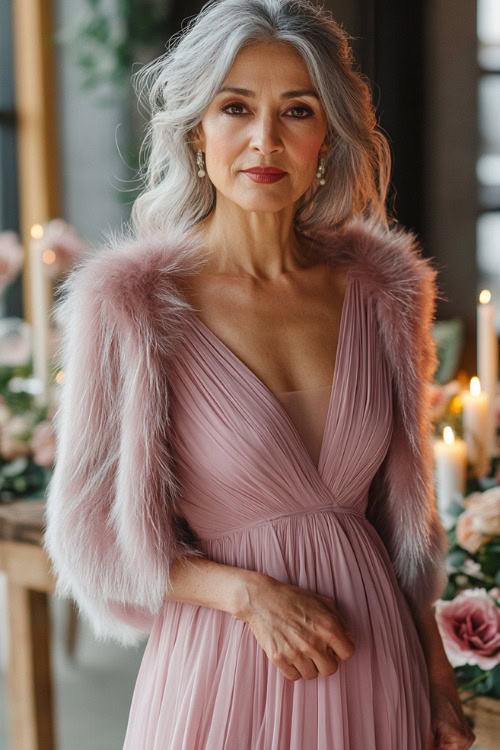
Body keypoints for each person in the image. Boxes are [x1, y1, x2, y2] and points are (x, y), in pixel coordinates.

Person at [43, 0, 476, 747]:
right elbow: (90, 544)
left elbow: (405, 522)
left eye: (296, 110)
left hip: (376, 664)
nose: (264, 139)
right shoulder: (133, 306)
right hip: (221, 668)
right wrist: (244, 594)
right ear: (194, 130)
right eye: (235, 107)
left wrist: (435, 675)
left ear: (328, 136)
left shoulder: (383, 291)